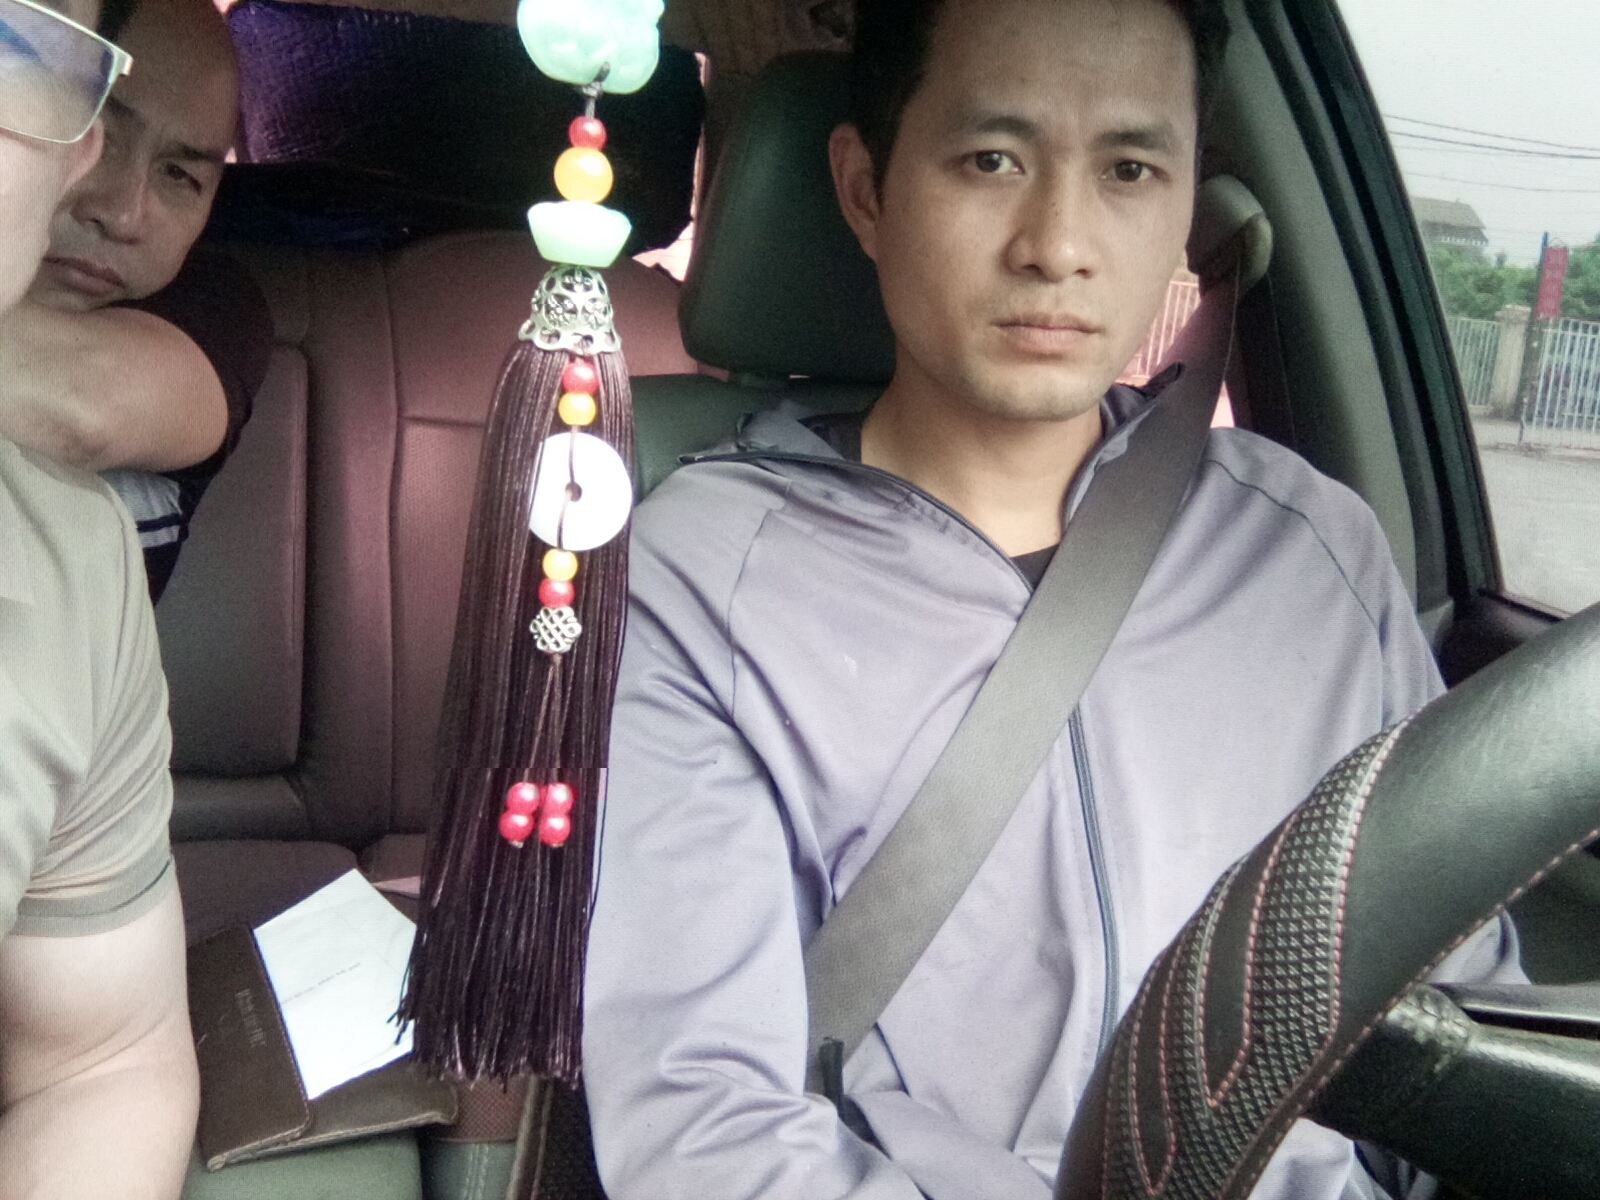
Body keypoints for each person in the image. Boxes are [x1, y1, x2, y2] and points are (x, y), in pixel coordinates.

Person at [581, 1, 1520, 1198]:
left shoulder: (1309, 549)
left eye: (1128, 170)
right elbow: (710, 1127)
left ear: (1185, 205)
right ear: (865, 191)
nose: (1058, 245)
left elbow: (1457, 1017)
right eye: (991, 159)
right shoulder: (696, 586)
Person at [0, 0, 197, 1195]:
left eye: (12, 46)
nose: (123, 209)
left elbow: (102, 1066)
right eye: (115, 135)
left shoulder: (76, 558)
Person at [0, 0, 269, 602]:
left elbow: (81, 404)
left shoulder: (214, 304)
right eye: (96, 131)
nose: (122, 215)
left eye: (179, 175)